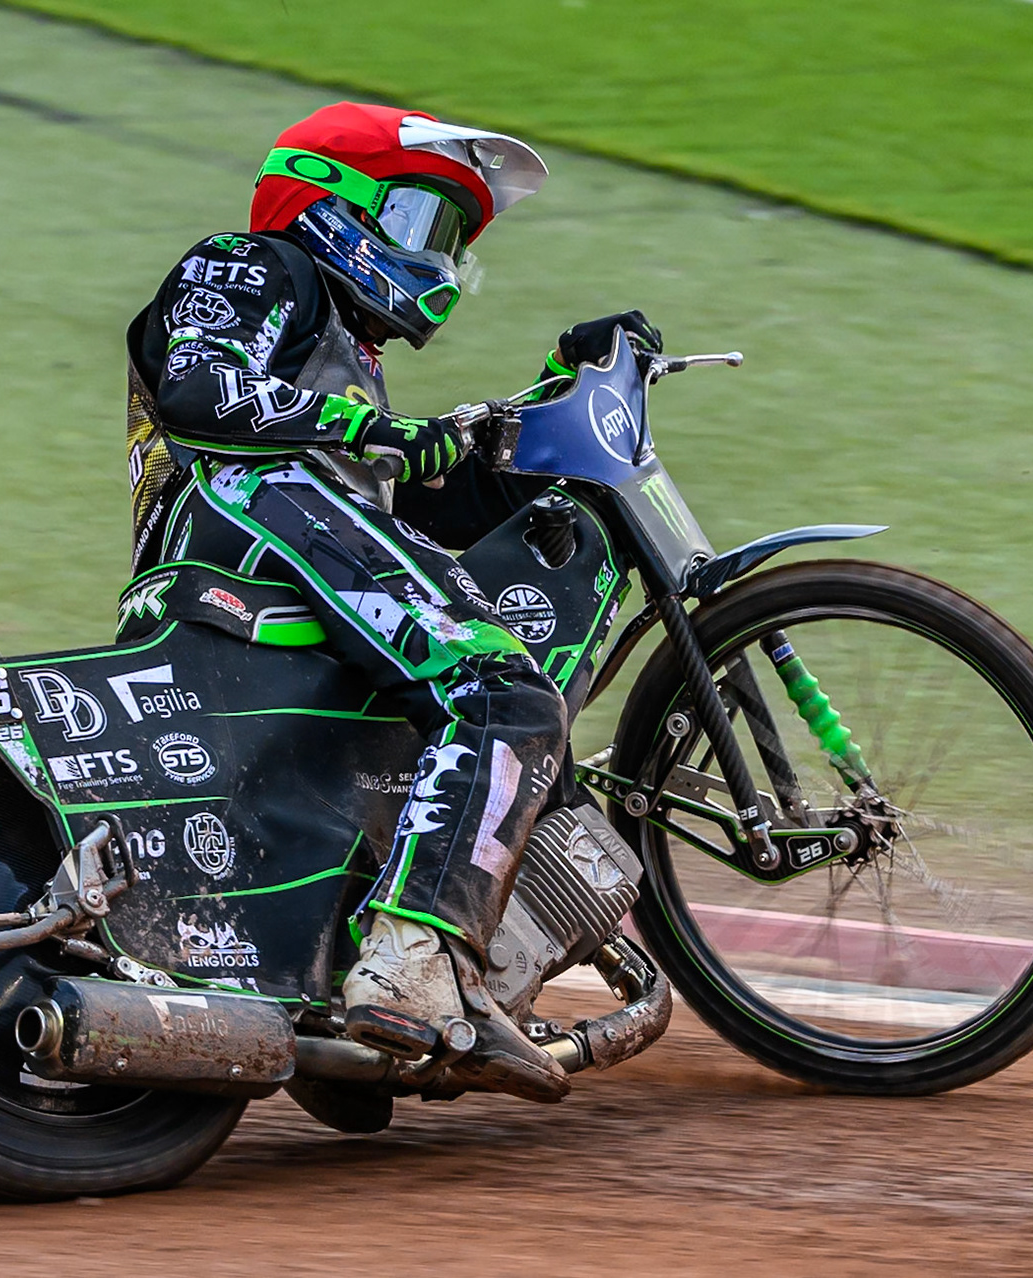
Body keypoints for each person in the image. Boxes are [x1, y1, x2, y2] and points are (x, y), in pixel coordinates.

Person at [122, 102, 661, 1103]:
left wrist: (556, 392)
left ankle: (351, 983)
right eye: (420, 225)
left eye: (452, 241)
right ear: (334, 206)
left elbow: (427, 497)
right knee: (505, 692)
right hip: (246, 530)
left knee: (448, 708)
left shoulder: (342, 359)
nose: (439, 261)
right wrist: (364, 427)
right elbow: (202, 392)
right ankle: (417, 964)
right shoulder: (252, 263)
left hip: (280, 553)